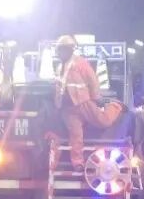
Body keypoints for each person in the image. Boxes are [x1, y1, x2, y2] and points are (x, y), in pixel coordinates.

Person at [53, 34, 124, 170]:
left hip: (83, 103)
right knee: (76, 136)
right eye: (59, 49)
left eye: (63, 49)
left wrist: (96, 98)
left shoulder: (80, 63)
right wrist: (58, 106)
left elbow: (92, 81)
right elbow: (57, 89)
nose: (60, 53)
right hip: (68, 109)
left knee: (104, 121)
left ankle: (115, 106)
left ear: (70, 50)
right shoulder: (59, 68)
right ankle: (78, 163)